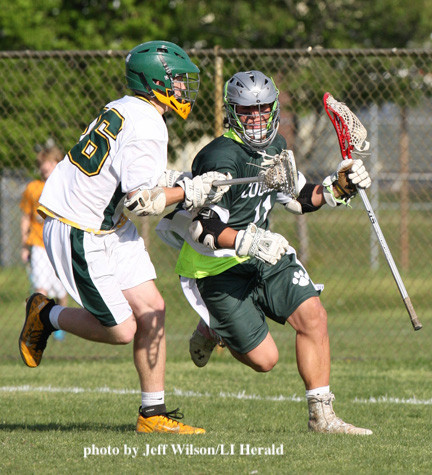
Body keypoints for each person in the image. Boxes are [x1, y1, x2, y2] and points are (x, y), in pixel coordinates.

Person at [18, 40, 230, 434]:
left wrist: (184, 183)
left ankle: (153, 415)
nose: (184, 89)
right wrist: (191, 192)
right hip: (79, 225)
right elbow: (140, 202)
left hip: (108, 222)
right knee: (123, 329)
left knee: (153, 310)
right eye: (177, 82)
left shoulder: (127, 107)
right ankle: (45, 315)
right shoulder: (148, 122)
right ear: (155, 83)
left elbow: (133, 182)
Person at [156, 70, 373, 435]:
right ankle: (213, 327)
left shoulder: (276, 146)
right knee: (266, 360)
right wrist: (249, 242)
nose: (256, 118)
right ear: (232, 112)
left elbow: (301, 199)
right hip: (217, 266)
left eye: (262, 109)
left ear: (273, 109)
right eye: (247, 111)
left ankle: (322, 417)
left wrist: (340, 186)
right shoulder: (220, 156)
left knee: (313, 316)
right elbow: (203, 227)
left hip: (265, 254)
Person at [20, 143, 68, 341]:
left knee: (61, 290)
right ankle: (40, 324)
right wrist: (24, 245)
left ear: (58, 163)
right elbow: (26, 217)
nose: (45, 167)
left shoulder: (65, 186)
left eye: (49, 162)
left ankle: (60, 324)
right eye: (42, 163)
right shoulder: (33, 188)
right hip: (39, 245)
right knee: (41, 287)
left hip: (58, 245)